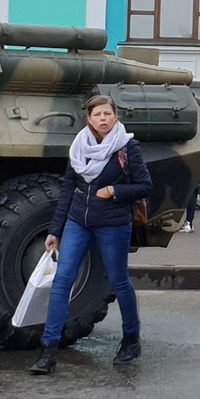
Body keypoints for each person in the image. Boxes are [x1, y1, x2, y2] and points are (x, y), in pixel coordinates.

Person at [31, 93, 150, 374]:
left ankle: (131, 340)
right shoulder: (79, 146)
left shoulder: (126, 147)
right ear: (89, 119)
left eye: (107, 114)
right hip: (77, 222)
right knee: (62, 282)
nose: (103, 119)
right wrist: (55, 230)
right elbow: (68, 191)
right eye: (97, 115)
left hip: (113, 223)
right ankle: (48, 350)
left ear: (115, 117)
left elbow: (145, 186)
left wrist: (114, 191)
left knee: (120, 282)